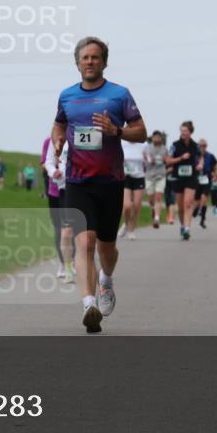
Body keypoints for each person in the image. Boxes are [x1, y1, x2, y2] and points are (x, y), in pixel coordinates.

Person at [52, 36, 146, 333]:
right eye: (85, 57)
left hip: (110, 181)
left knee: (107, 246)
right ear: (77, 63)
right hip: (78, 181)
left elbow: (141, 131)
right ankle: (88, 304)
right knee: (85, 241)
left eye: (95, 57)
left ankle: (105, 280)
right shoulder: (67, 95)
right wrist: (57, 140)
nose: (90, 61)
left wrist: (116, 130)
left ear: (104, 62)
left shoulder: (119, 94)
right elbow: (59, 123)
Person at [42, 136, 75, 282]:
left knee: (76, 231)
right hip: (57, 190)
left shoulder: (80, 134)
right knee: (60, 230)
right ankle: (64, 265)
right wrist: (54, 171)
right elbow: (46, 162)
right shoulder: (50, 140)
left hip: (80, 188)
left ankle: (73, 262)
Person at [164, 121, 202, 240]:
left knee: (188, 203)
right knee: (180, 208)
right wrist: (181, 158)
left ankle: (187, 229)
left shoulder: (195, 146)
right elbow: (168, 160)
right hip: (178, 177)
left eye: (185, 131)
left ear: (190, 132)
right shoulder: (175, 145)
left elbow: (200, 158)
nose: (183, 133)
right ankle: (182, 225)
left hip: (191, 177)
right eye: (181, 130)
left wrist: (200, 164)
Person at [118, 138, 146, 239]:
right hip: (126, 177)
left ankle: (130, 230)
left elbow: (149, 160)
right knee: (127, 206)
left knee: (137, 206)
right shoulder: (122, 143)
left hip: (139, 177)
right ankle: (126, 224)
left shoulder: (144, 145)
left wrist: (147, 158)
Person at [143, 130, 168, 229]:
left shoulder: (164, 149)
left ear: (161, 138)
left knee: (158, 197)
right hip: (149, 176)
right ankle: (153, 208)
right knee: (150, 199)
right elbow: (146, 159)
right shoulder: (147, 148)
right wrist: (150, 160)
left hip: (161, 176)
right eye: (155, 137)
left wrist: (165, 160)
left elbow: (167, 160)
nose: (157, 139)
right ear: (152, 138)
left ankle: (157, 218)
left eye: (159, 137)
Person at [192, 139, 217, 229]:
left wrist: (214, 174)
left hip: (207, 179)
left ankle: (202, 219)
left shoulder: (210, 156)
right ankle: (197, 209)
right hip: (197, 179)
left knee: (204, 198)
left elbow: (215, 166)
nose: (202, 147)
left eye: (204, 146)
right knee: (197, 200)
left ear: (206, 146)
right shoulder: (195, 156)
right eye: (201, 146)